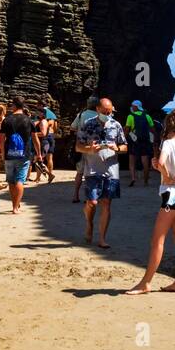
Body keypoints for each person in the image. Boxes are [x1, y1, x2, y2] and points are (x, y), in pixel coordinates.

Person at [126, 110, 175, 294]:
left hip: (172, 195)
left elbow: (162, 163)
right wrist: (165, 170)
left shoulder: (168, 144)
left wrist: (165, 174)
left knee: (158, 240)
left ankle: (145, 283)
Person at [76, 97, 127, 248]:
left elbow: (125, 146)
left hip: (111, 171)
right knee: (92, 202)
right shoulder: (88, 124)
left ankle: (102, 238)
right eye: (105, 111)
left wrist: (116, 148)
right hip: (92, 169)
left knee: (106, 204)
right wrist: (89, 149)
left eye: (110, 111)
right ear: (97, 109)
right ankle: (89, 224)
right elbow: (78, 146)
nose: (108, 114)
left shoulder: (116, 125)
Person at [0, 98, 35, 214]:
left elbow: (2, 139)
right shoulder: (28, 120)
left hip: (9, 153)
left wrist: (2, 153)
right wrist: (38, 153)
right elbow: (35, 139)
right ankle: (16, 207)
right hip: (24, 154)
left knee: (11, 181)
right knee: (20, 180)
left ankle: (14, 203)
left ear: (14, 106)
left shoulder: (6, 120)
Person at [70, 96, 99, 203]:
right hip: (95, 147)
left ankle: (75, 195)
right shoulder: (99, 116)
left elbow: (72, 127)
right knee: (91, 173)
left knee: (80, 172)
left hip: (82, 146)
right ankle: (89, 197)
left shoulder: (81, 115)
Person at [125, 100, 155, 186]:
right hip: (145, 140)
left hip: (134, 141)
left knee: (132, 160)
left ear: (136, 107)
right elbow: (152, 129)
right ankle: (145, 181)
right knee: (145, 161)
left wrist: (124, 139)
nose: (131, 107)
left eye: (132, 105)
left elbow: (127, 129)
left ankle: (133, 178)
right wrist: (155, 138)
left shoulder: (130, 116)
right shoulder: (147, 116)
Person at [39, 105, 57, 179]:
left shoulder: (45, 121)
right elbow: (55, 129)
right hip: (52, 136)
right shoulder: (53, 120)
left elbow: (44, 131)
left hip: (46, 137)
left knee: (40, 158)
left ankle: (40, 176)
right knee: (50, 158)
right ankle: (50, 174)